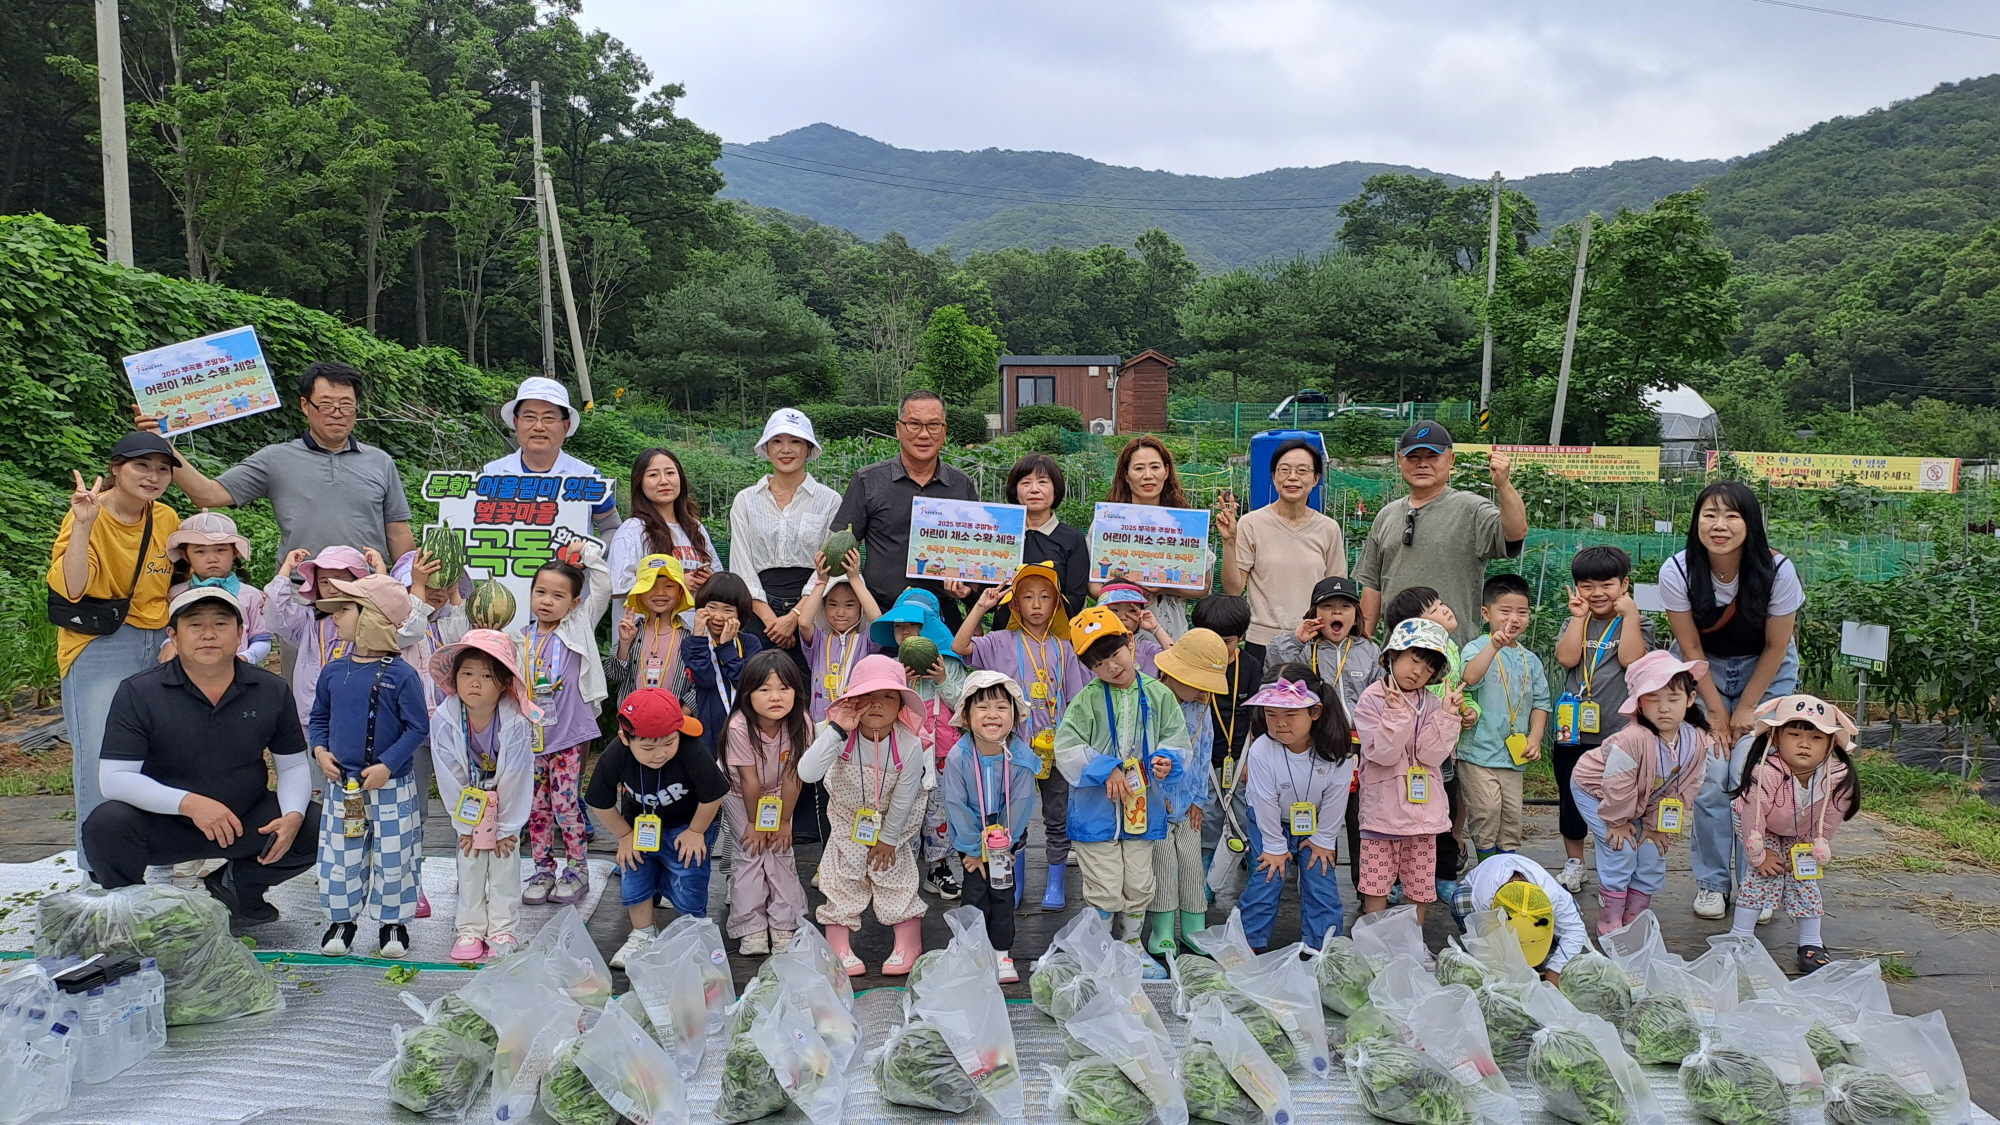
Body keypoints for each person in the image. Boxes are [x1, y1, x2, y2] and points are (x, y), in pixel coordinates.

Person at [82, 587, 318, 921]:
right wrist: (191, 804)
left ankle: (238, 887)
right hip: (164, 822)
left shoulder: (271, 689)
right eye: (195, 625)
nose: (208, 634)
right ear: (173, 635)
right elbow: (114, 779)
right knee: (106, 824)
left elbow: (292, 765)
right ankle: (132, 912)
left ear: (240, 633)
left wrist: (292, 815)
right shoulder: (138, 691)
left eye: (220, 624)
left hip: (243, 819)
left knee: (316, 823)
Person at [1663, 480, 1806, 922]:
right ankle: (1712, 883)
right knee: (1711, 775)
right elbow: (1690, 648)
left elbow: (1777, 647)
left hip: (1765, 674)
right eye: (1709, 515)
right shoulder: (1679, 570)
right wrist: (1715, 712)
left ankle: (1754, 883)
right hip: (1701, 674)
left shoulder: (1778, 571)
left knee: (1752, 772)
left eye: (1731, 516)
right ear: (1697, 521)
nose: (1719, 525)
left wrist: (1745, 708)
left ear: (1750, 523)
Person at [50, 432, 183, 876]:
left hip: (158, 640)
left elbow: (175, 581)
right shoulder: (88, 513)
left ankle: (156, 862)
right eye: (141, 466)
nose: (153, 477)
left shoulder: (165, 516)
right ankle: (99, 873)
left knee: (158, 752)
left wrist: (175, 636)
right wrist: (83, 524)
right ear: (115, 468)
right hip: (100, 644)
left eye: (162, 469)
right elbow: (73, 588)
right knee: (99, 758)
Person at [144, 360, 414, 565]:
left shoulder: (380, 461)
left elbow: (398, 531)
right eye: (326, 404)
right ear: (305, 405)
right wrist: (162, 443)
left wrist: (409, 584)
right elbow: (208, 495)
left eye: (346, 405)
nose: (337, 413)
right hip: (299, 595)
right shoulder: (275, 459)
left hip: (369, 593)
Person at [1054, 606, 1189, 978]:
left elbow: (1177, 740)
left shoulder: (1159, 695)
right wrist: (1105, 768)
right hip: (1096, 813)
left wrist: (1168, 761)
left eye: (1115, 654)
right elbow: (1066, 747)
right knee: (1106, 885)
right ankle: (1099, 949)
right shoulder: (1086, 701)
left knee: (1139, 882)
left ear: (1130, 641)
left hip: (1142, 810)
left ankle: (1131, 945)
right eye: (1098, 664)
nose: (1111, 667)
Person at [307, 574, 431, 958]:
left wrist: (387, 765)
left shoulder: (402, 674)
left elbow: (417, 727)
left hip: (391, 785)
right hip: (343, 787)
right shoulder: (333, 672)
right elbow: (319, 718)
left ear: (372, 618)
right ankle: (341, 922)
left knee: (396, 854)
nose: (335, 616)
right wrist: (320, 751)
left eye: (345, 609)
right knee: (341, 856)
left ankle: (393, 923)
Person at [954, 562, 1088, 909]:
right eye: (1028, 597)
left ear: (1057, 604)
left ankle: (1055, 884)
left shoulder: (1065, 648)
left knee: (1057, 816)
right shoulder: (1000, 642)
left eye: (1045, 597)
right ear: (1015, 604)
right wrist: (981, 607)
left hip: (1055, 748)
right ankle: (1013, 881)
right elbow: (960, 646)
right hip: (1011, 749)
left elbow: (1076, 701)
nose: (1037, 604)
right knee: (1012, 815)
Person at [797, 654, 931, 976]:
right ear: (851, 700)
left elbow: (905, 795)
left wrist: (888, 839)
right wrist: (837, 729)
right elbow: (807, 772)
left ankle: (908, 943)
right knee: (841, 878)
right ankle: (838, 946)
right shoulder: (835, 733)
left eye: (888, 696)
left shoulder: (909, 743)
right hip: (848, 821)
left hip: (894, 822)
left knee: (894, 875)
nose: (877, 704)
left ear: (901, 705)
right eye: (866, 695)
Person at [1571, 651, 1719, 936]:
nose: (1664, 708)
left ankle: (1634, 917)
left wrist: (1655, 826)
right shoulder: (1632, 738)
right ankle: (1609, 920)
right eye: (1653, 699)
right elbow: (1617, 785)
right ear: (1639, 702)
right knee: (1621, 848)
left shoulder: (1698, 740)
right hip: (1596, 791)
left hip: (1642, 799)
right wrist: (1617, 822)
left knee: (1652, 850)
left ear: (1690, 699)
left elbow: (1686, 786)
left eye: (1673, 699)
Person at [592, 688, 728, 971]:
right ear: (625, 738)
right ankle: (642, 933)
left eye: (668, 743)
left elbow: (712, 795)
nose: (660, 754)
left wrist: (696, 832)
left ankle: (691, 932)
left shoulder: (691, 749)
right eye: (648, 748)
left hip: (689, 823)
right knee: (635, 870)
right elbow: (599, 801)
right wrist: (624, 835)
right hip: (638, 826)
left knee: (689, 872)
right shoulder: (616, 754)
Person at [1354, 423, 1526, 645]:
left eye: (1432, 456)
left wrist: (1503, 485)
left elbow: (1515, 532)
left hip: (1452, 650)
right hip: (1398, 651)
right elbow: (1372, 588)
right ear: (1400, 460)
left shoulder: (1471, 508)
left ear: (1451, 460)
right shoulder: (1386, 515)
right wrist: (1362, 647)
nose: (1422, 464)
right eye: (1413, 457)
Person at [1550, 545, 1655, 894]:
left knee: (1621, 798)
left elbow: (1631, 660)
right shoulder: (1575, 621)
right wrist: (1578, 619)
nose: (1596, 593)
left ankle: (1620, 861)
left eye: (1606, 584)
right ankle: (1575, 862)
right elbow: (1567, 659)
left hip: (1620, 734)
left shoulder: (1639, 623)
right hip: (1573, 733)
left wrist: (1631, 616)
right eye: (1587, 585)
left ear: (1624, 585)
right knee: (1570, 798)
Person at [428, 631, 538, 963]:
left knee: (505, 858)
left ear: (504, 683)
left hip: (505, 798)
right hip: (469, 798)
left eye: (487, 675)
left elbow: (517, 774)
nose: (474, 683)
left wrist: (506, 829)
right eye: (467, 673)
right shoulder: (445, 718)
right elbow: (449, 775)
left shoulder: (515, 720)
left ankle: (503, 927)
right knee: (470, 857)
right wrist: (466, 825)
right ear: (454, 678)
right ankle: (470, 929)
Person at [1729, 694, 1859, 974]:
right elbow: (1753, 817)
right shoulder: (1765, 773)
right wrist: (1760, 856)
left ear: (1831, 743)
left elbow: (1829, 820)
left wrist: (1813, 846)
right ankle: (1740, 936)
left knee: (1804, 877)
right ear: (1776, 737)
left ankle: (1811, 942)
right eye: (1794, 734)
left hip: (1803, 831)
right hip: (1758, 827)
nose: (1804, 743)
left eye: (1816, 737)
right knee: (1763, 875)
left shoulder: (1837, 779)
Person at [830, 390, 980, 629]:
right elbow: (845, 550)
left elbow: (975, 553)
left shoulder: (961, 484)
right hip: (880, 614)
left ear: (944, 431)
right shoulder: (868, 480)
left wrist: (971, 602)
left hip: (942, 617)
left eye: (933, 425)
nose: (924, 434)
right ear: (899, 429)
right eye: (914, 424)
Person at [1353, 619, 1462, 928]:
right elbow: (1382, 754)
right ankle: (1375, 941)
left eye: (1428, 669)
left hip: (1423, 817)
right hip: (1382, 814)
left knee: (1420, 887)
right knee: (1376, 885)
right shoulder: (1372, 699)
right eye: (1414, 660)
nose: (1418, 672)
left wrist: (1447, 715)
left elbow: (1431, 755)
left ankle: (1413, 942)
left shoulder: (1432, 702)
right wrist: (1396, 714)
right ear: (1393, 654)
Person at [519, 549, 612, 906]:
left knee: (566, 805)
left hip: (568, 736)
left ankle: (577, 870)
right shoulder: (521, 638)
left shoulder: (578, 627)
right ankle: (542, 869)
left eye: (558, 596)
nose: (547, 601)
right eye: (540, 592)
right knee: (536, 808)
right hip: (531, 740)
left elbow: (603, 588)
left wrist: (589, 556)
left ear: (574, 603)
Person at [1238, 670, 1356, 952]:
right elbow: (1263, 800)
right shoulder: (1262, 750)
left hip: (1316, 823)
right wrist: (1275, 846)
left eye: (1290, 715)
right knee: (1268, 877)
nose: (1280, 723)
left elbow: (1336, 798)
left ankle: (1323, 947)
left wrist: (1324, 840)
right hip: (1268, 822)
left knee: (1321, 879)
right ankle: (1248, 943)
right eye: (1271, 714)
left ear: (1315, 712)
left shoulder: (1337, 750)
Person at [940, 670, 1041, 983]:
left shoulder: (1021, 757)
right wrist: (972, 850)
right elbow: (955, 803)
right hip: (970, 831)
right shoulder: (958, 756)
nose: (992, 714)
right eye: (982, 707)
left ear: (1015, 715)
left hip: (1005, 835)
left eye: (1001, 707)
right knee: (974, 893)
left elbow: (1022, 803)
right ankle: (971, 952)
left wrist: (1004, 846)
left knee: (1003, 893)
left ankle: (1001, 953)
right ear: (966, 717)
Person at [1217, 438, 1348, 669]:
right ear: (1274, 476)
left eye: (1302, 471)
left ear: (1315, 478)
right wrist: (1229, 542)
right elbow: (1234, 589)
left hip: (1314, 641)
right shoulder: (1251, 523)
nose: (1292, 477)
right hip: (1263, 642)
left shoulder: (1328, 528)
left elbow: (1335, 592)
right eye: (1284, 470)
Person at [870, 587, 966, 899]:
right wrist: (901, 681)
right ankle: (904, 868)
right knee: (904, 809)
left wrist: (941, 680)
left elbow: (963, 705)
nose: (905, 632)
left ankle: (939, 868)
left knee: (940, 814)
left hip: (941, 752)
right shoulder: (891, 666)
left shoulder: (949, 663)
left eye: (914, 625)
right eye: (899, 626)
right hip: (904, 753)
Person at [728, 409, 841, 660]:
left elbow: (830, 565)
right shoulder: (746, 500)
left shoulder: (830, 501)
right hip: (757, 611)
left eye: (796, 441)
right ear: (767, 448)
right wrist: (772, 621)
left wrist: (796, 616)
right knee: (758, 679)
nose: (785, 449)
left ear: (808, 449)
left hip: (813, 608)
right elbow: (741, 564)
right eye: (777, 441)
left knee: (811, 679)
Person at [721, 651, 811, 958]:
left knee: (780, 851)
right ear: (747, 694)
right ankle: (750, 926)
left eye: (784, 688)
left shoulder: (802, 722)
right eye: (765, 689)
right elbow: (749, 781)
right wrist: (753, 823)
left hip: (779, 793)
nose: (776, 697)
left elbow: (793, 775)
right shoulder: (738, 726)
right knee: (751, 852)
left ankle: (785, 922)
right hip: (740, 794)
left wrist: (784, 821)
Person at [1456, 575, 1551, 864]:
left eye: (1522, 612)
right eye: (1505, 611)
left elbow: (1541, 703)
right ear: (1486, 614)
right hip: (1479, 752)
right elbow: (1469, 679)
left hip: (1514, 755)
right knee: (1486, 811)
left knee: (1511, 817)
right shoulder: (1477, 648)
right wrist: (1494, 647)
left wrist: (1535, 737)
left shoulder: (1530, 660)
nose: (1514, 619)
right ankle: (1486, 869)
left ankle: (1506, 870)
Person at [1151, 628, 1231, 953]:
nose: (1202, 691)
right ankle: (1162, 930)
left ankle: (1194, 928)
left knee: (1191, 864)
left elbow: (1203, 753)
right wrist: (1157, 795)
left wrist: (1199, 799)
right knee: (1162, 865)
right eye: (1197, 683)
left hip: (1188, 803)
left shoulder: (1202, 707)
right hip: (1156, 803)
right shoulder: (1152, 701)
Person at [1094, 434, 1208, 638]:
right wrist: (1126, 593)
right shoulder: (1107, 522)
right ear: (1126, 475)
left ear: (1166, 471)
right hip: (1116, 632)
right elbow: (1093, 586)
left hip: (1169, 633)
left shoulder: (1185, 522)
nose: (1148, 475)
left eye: (1155, 467)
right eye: (1139, 468)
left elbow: (1203, 586)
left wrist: (1164, 587)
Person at [482, 376, 620, 532]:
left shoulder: (586, 477)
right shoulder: (491, 474)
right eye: (529, 417)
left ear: (565, 426)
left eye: (549, 418)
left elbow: (612, 527)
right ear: (516, 423)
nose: (538, 426)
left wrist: (592, 546)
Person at [161, 511, 269, 668]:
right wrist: (168, 643)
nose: (212, 559)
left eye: (220, 550)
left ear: (235, 552)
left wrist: (244, 659)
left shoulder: (252, 596)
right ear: (185, 555)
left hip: (237, 672)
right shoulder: (175, 594)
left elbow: (262, 639)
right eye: (200, 551)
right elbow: (169, 631)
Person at [610, 447, 721, 599]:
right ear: (639, 482)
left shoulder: (696, 528)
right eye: (653, 475)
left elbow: (719, 579)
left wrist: (709, 582)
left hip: (694, 615)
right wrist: (676, 582)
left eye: (670, 473)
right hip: (645, 616)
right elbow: (617, 586)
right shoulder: (632, 530)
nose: (664, 481)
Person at [1462, 854, 1591, 982]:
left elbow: (1575, 931)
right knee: (1461, 901)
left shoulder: (1553, 895)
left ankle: (1545, 945)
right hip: (1478, 895)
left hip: (1553, 901)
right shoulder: (1486, 902)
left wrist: (1556, 969)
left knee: (1572, 911)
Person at [1267, 576, 1380, 719]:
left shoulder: (1369, 650)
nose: (1337, 612)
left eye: (1345, 606)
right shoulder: (1304, 649)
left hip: (1361, 730)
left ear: (1356, 618)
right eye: (1328, 606)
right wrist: (1296, 640)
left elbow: (1380, 694)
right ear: (1314, 615)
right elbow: (1274, 668)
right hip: (1318, 729)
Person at [792, 548, 881, 723]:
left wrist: (854, 579)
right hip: (821, 723)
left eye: (849, 605)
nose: (840, 612)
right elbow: (803, 622)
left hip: (856, 723)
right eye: (832, 605)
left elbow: (877, 619)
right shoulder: (819, 640)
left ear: (861, 608)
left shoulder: (865, 641)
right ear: (823, 608)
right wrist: (822, 582)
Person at [682, 572, 763, 758]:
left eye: (728, 610)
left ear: (740, 614)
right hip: (708, 727)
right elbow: (706, 679)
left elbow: (745, 682)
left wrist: (726, 647)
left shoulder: (750, 643)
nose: (718, 616)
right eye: (712, 607)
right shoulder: (691, 644)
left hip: (746, 725)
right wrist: (699, 638)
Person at [999, 454, 1089, 621]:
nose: (1034, 489)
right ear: (1015, 491)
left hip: (1055, 633)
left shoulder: (1073, 538)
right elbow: (987, 596)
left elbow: (1076, 599)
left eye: (1042, 482)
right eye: (1026, 483)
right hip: (1004, 633)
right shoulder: (1002, 535)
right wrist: (966, 594)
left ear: (1055, 490)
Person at [1097, 582, 1169, 676]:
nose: (1123, 617)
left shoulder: (1149, 650)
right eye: (1115, 610)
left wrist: (1155, 628)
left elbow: (1176, 662)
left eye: (1132, 611)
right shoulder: (1092, 653)